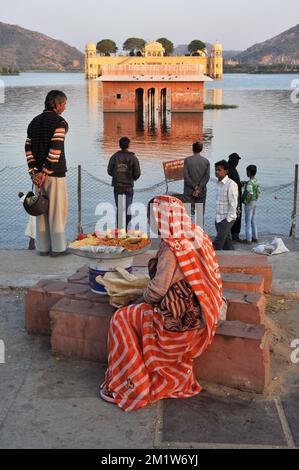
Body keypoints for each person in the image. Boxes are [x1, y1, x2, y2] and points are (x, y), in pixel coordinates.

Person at [100, 194, 223, 411]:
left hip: (178, 323)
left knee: (121, 319)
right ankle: (164, 379)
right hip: (202, 314)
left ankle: (134, 385)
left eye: (151, 217)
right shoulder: (197, 234)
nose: (149, 222)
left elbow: (157, 290)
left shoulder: (172, 247)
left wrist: (134, 303)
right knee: (134, 311)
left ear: (162, 218)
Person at [25, 90, 69, 257]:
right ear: (57, 105)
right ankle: (58, 249)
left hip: (38, 176)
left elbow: (27, 148)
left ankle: (42, 248)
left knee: (40, 211)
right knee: (57, 211)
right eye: (64, 103)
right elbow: (55, 149)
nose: (65, 106)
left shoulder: (33, 122)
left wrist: (34, 172)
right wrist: (45, 171)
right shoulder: (59, 122)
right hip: (55, 174)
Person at [107, 137, 141, 229]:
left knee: (120, 209)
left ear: (120, 145)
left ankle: (120, 230)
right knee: (128, 209)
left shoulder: (114, 157)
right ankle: (128, 230)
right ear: (128, 145)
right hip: (128, 188)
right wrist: (132, 178)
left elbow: (109, 171)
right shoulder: (133, 158)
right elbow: (137, 174)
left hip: (117, 187)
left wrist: (116, 176)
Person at [213, 160, 239, 251]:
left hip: (227, 219)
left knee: (217, 243)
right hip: (218, 218)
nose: (216, 172)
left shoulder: (231, 184)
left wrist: (227, 220)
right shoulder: (219, 183)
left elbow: (233, 204)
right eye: (216, 170)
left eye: (219, 170)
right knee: (227, 244)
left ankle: (211, 262)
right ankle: (232, 260)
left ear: (226, 171)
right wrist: (217, 219)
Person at [184, 141, 210, 224]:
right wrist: (199, 188)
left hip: (188, 192)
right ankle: (199, 234)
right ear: (201, 149)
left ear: (192, 149)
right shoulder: (206, 161)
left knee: (187, 215)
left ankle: (187, 234)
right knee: (199, 216)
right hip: (201, 192)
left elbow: (186, 176)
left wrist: (194, 187)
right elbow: (207, 177)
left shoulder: (187, 160)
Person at [243, 165, 260, 245]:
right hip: (254, 202)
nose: (246, 173)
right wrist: (255, 199)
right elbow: (258, 192)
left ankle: (248, 239)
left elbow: (250, 193)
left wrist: (246, 201)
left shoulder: (249, 182)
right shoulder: (255, 181)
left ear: (249, 173)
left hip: (249, 203)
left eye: (247, 171)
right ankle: (255, 237)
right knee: (253, 219)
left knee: (247, 221)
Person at [228, 153, 243, 242]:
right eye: (237, 160)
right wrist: (241, 184)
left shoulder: (230, 169)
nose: (238, 162)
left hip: (233, 197)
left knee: (233, 216)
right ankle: (235, 235)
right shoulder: (231, 170)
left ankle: (231, 234)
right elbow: (235, 185)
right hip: (235, 198)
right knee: (237, 216)